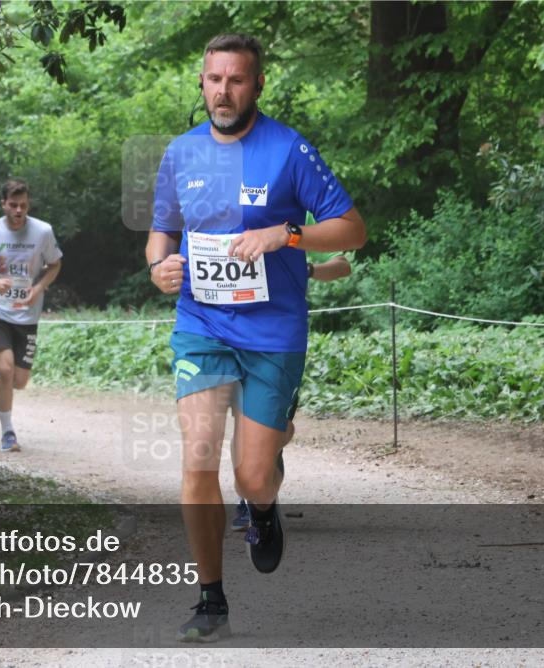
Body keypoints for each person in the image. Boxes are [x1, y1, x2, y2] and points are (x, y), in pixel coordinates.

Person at [146, 33, 366, 642]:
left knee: (250, 476)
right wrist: (158, 266)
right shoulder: (181, 153)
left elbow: (352, 231)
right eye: (215, 79)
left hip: (273, 329)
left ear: (257, 84)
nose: (224, 90)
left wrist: (287, 235)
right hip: (202, 324)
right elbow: (162, 231)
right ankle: (211, 598)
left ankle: (263, 509)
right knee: (197, 457)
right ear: (201, 82)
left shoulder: (289, 149)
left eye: (237, 79)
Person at [230, 249, 352, 531]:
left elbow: (341, 266)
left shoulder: (303, 216)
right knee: (241, 417)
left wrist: (304, 269)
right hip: (231, 329)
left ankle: (261, 483)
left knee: (270, 426)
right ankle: (248, 500)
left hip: (279, 337)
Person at [0, 179, 62, 452]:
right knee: (7, 369)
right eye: (14, 205)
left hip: (27, 315)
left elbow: (55, 264)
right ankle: (8, 434)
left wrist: (39, 287)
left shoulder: (42, 231)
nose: (19, 211)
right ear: (3, 203)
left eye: (24, 206)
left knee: (19, 381)